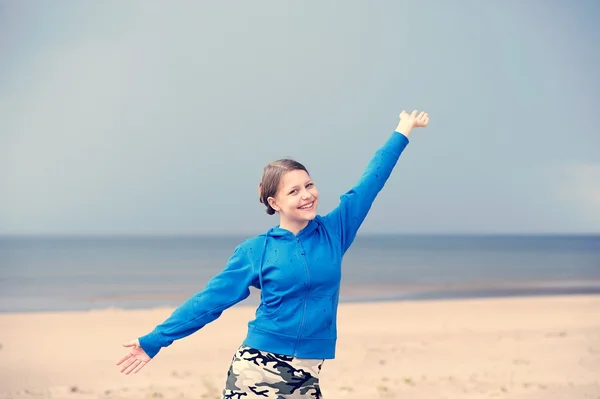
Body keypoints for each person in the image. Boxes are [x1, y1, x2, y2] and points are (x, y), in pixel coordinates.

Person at [116, 109, 430, 398]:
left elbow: (371, 181)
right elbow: (209, 302)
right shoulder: (256, 250)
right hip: (257, 371)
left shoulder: (334, 232)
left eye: (309, 185)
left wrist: (403, 129)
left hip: (309, 375)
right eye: (294, 191)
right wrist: (155, 340)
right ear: (275, 203)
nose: (307, 195)